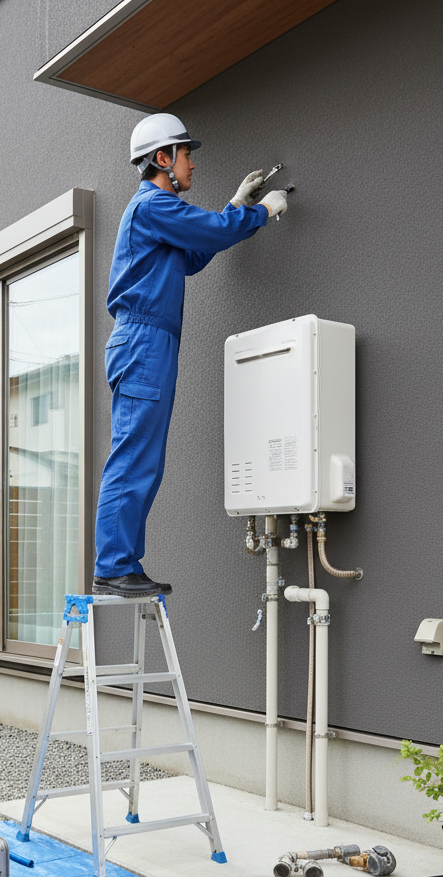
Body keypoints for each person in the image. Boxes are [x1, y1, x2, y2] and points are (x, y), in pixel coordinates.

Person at [92, 113, 290, 598]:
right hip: (143, 341)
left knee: (145, 459)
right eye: (186, 155)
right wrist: (261, 211)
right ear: (163, 159)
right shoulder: (151, 205)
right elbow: (213, 232)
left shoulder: (157, 215)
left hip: (149, 341)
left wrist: (235, 207)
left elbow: (196, 254)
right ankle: (115, 564)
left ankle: (122, 562)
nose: (193, 165)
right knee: (135, 455)